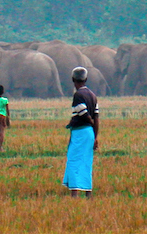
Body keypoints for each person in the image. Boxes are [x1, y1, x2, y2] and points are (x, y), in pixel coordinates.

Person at [63, 66, 99, 198]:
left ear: (73, 80)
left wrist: (90, 122)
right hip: (89, 133)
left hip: (80, 132)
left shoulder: (78, 95)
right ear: (86, 79)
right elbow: (96, 117)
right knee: (86, 161)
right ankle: (88, 193)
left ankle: (75, 193)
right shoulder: (93, 96)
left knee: (74, 161)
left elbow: (84, 114)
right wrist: (95, 136)